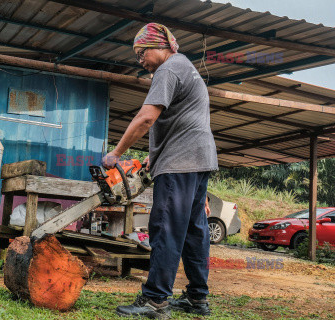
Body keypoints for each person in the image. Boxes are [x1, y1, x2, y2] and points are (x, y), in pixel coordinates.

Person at [102, 23, 218, 318]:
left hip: (180, 164)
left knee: (166, 228)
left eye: (142, 53)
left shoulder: (167, 70)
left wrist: (116, 154)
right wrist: (157, 155)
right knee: (194, 231)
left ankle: (155, 301)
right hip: (198, 161)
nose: (140, 60)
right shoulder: (186, 66)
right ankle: (197, 299)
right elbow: (184, 120)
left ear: (159, 47)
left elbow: (146, 118)